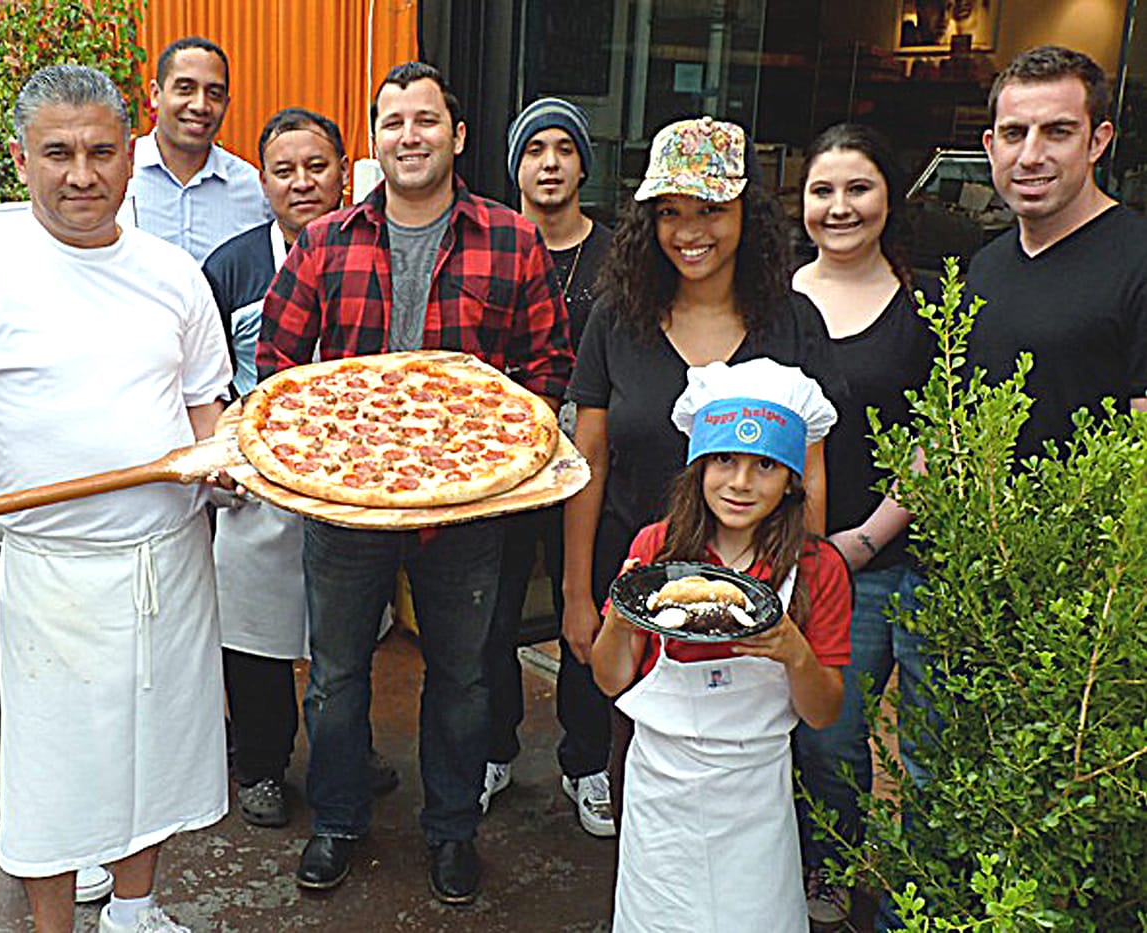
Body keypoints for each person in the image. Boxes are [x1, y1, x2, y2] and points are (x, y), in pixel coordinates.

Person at [256, 61, 572, 903]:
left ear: (457, 136)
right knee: (334, 676)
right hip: (344, 498)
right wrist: (327, 448)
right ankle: (337, 819)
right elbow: (277, 364)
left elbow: (549, 366)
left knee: (465, 678)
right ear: (375, 140)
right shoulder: (326, 242)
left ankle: (452, 830)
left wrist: (481, 441)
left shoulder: (512, 239)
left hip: (470, 504)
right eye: (393, 123)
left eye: (426, 120)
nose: (410, 136)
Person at [0, 65, 231, 933]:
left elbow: (208, 398)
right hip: (52, 570)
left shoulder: (173, 275)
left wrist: (221, 457)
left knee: (157, 754)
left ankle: (134, 912)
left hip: (168, 558)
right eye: (57, 152)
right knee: (50, 775)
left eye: (100, 151)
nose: (81, 175)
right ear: (21, 160)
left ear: (130, 160)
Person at [563, 116, 842, 822]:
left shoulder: (791, 318)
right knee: (639, 749)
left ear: (747, 213)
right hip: (636, 561)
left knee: (753, 760)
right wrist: (573, 590)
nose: (690, 230)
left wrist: (801, 589)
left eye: (711, 209)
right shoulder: (614, 317)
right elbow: (587, 459)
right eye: (671, 212)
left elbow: (809, 463)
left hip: (758, 583)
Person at [590, 358, 850, 932]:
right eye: (724, 461)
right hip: (662, 788)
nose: (740, 483)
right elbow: (610, 680)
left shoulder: (815, 569)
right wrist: (624, 617)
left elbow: (825, 711)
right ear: (698, 465)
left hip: (755, 795)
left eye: (764, 465)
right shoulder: (656, 549)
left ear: (791, 479)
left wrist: (793, 651)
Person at [201, 106, 398, 828]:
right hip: (259, 477)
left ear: (345, 172)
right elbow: (205, 374)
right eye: (284, 170)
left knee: (344, 633)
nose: (302, 181)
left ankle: (347, 749)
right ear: (264, 181)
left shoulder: (375, 250)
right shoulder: (233, 263)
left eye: (317, 166)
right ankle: (261, 761)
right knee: (253, 632)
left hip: (353, 476)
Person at [790, 123, 935, 928]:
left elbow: (933, 433)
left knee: (886, 742)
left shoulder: (927, 303)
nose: (838, 207)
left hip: (882, 557)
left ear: (889, 195)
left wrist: (864, 538)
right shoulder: (775, 297)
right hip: (796, 561)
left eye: (857, 188)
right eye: (822, 190)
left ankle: (887, 887)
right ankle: (826, 864)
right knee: (820, 740)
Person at [482, 97, 615, 835]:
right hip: (503, 466)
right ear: (517, 166)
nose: (551, 163)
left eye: (565, 149)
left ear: (583, 165)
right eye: (536, 150)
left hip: (592, 460)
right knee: (493, 617)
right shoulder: (494, 245)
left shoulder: (616, 254)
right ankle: (495, 748)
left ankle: (585, 761)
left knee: (583, 608)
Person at [966, 45, 1147, 457]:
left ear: (1097, 142)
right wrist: (872, 525)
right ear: (991, 146)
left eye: (1058, 132)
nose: (1031, 156)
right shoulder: (984, 268)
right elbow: (954, 427)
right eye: (1015, 133)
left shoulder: (1138, 261)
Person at [130, 36, 271, 263]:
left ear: (226, 103)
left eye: (214, 93)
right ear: (156, 94)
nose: (200, 105)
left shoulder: (252, 189)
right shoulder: (119, 174)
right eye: (185, 89)